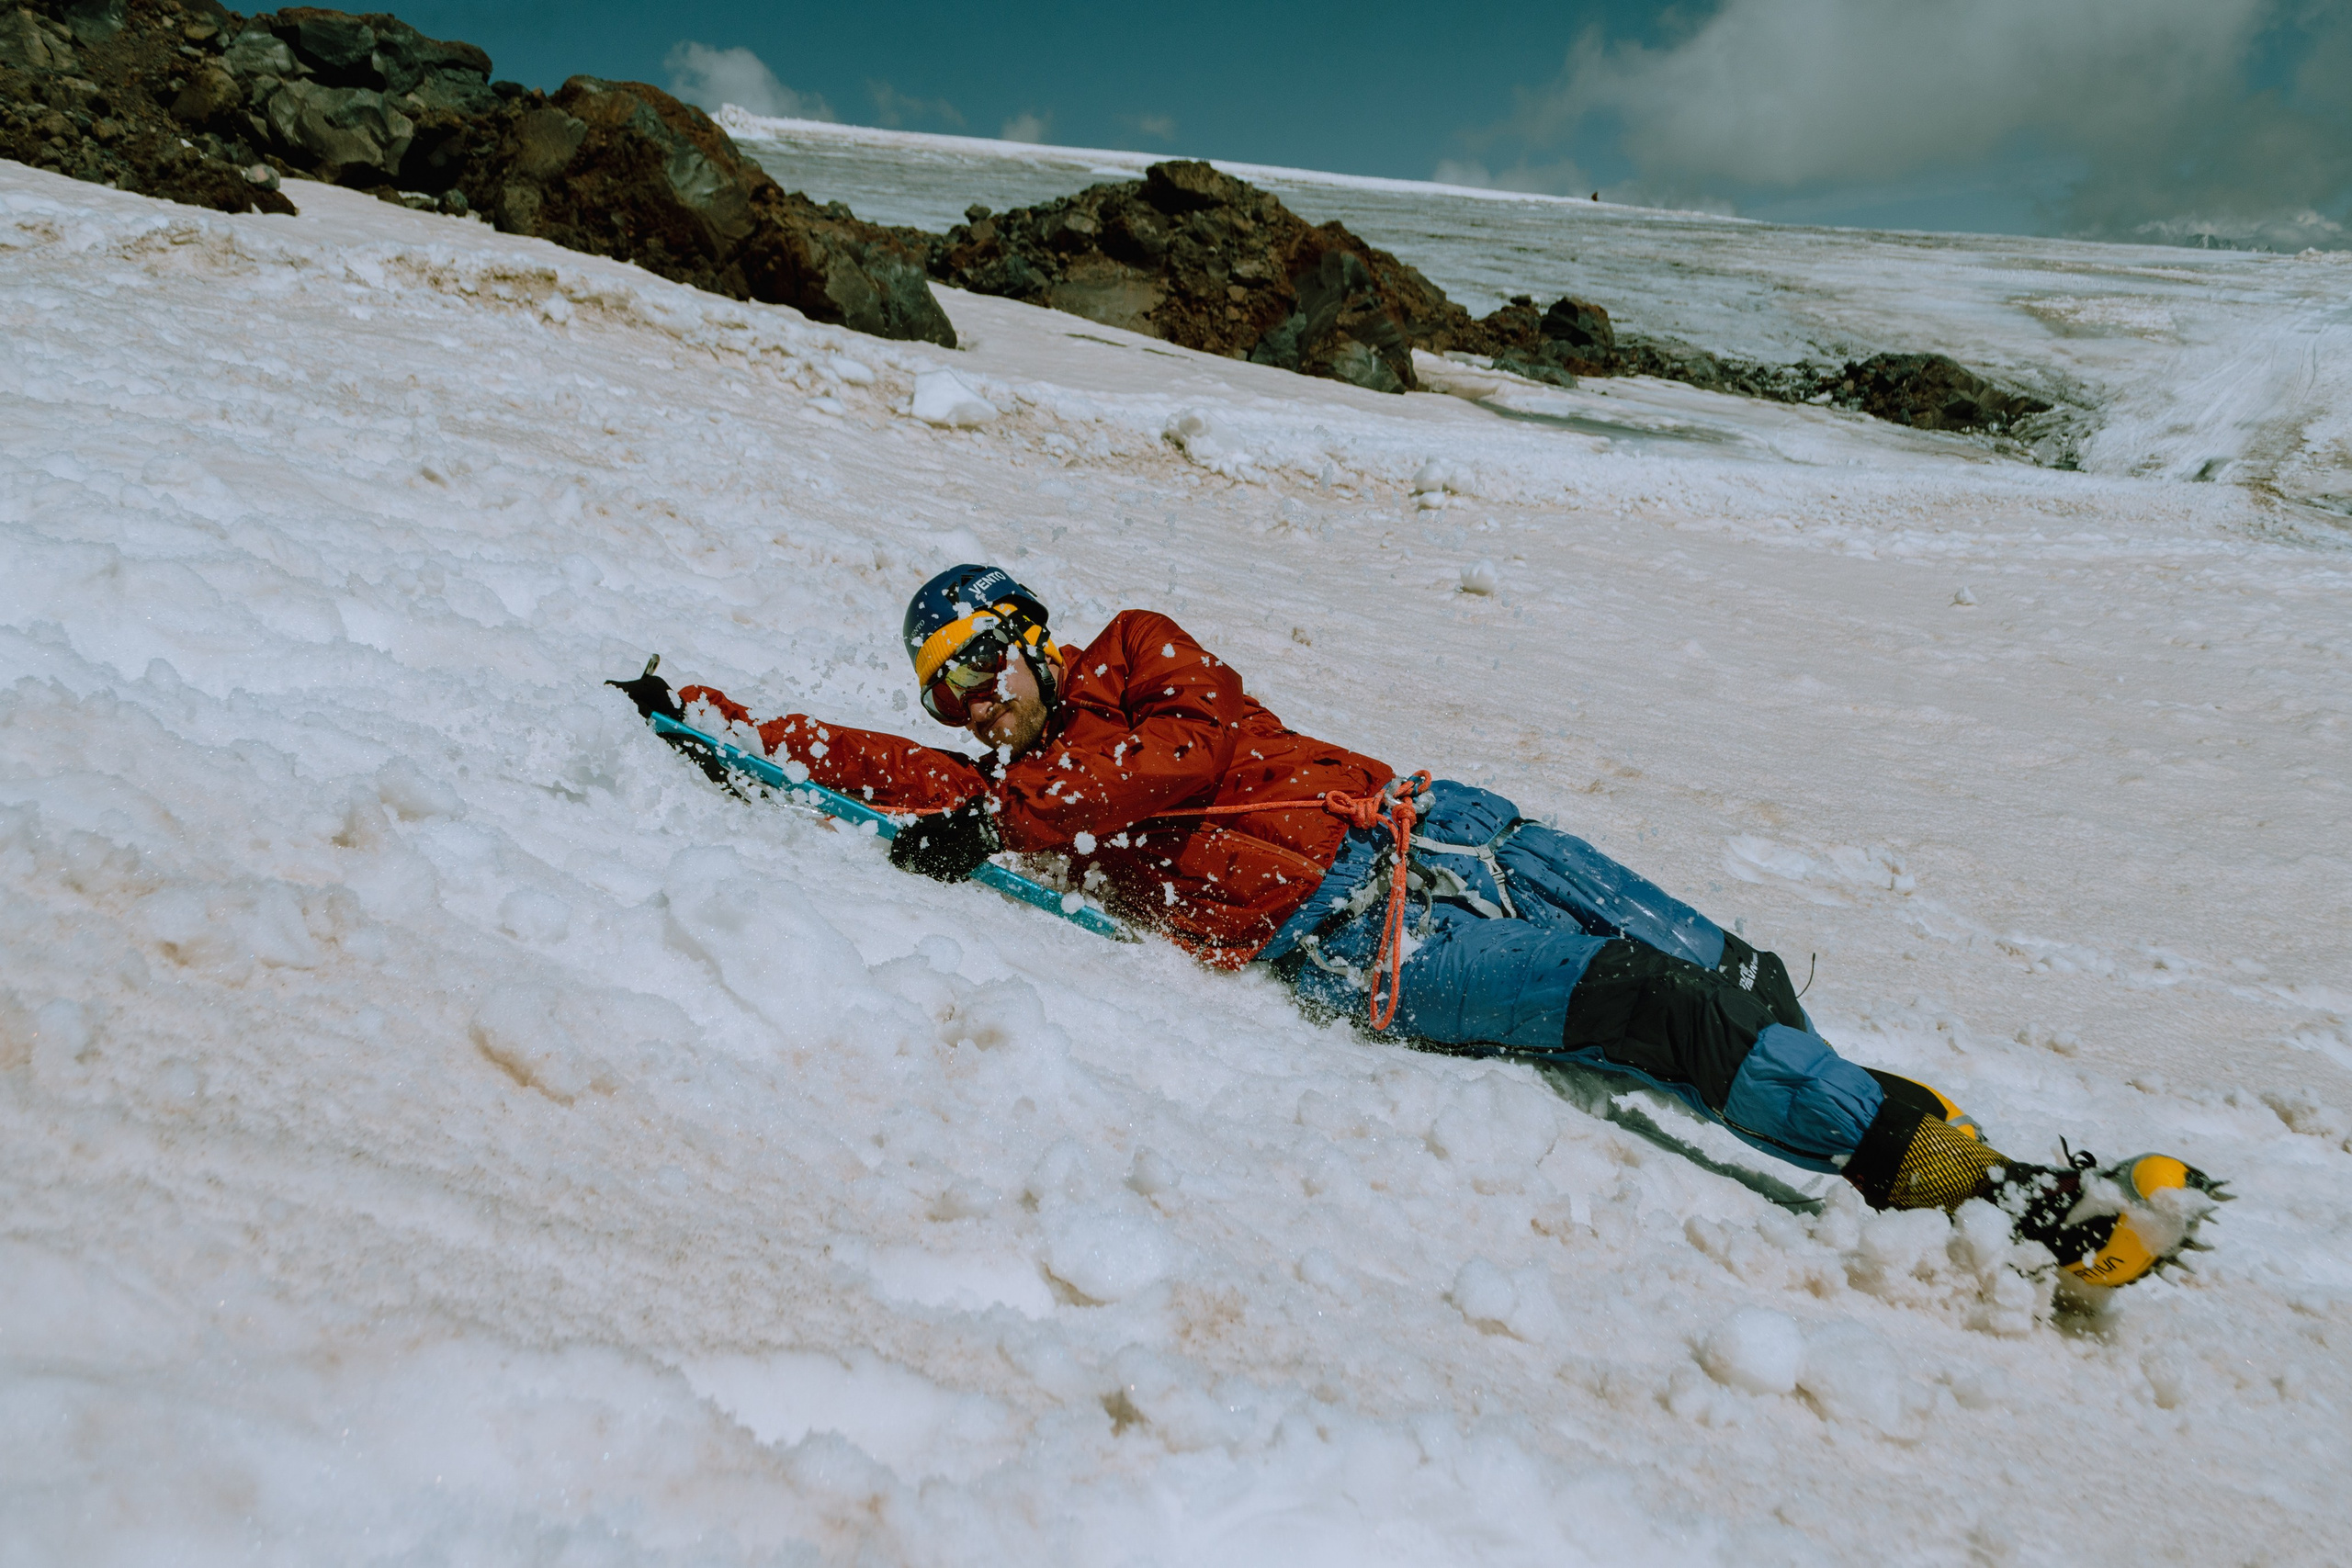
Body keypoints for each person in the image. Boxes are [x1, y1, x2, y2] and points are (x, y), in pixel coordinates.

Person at [615, 563, 2224, 1291]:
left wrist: (1005, 813)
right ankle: (2014, 1204)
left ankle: (1970, 1159)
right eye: (948, 685)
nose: (972, 695)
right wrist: (701, 713)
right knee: (1645, 1006)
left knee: (1741, 980)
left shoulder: (1138, 656)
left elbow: (1195, 756)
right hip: (1364, 947)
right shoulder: (1011, 774)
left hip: (1452, 829)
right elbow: (861, 763)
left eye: (982, 655)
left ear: (1036, 633)